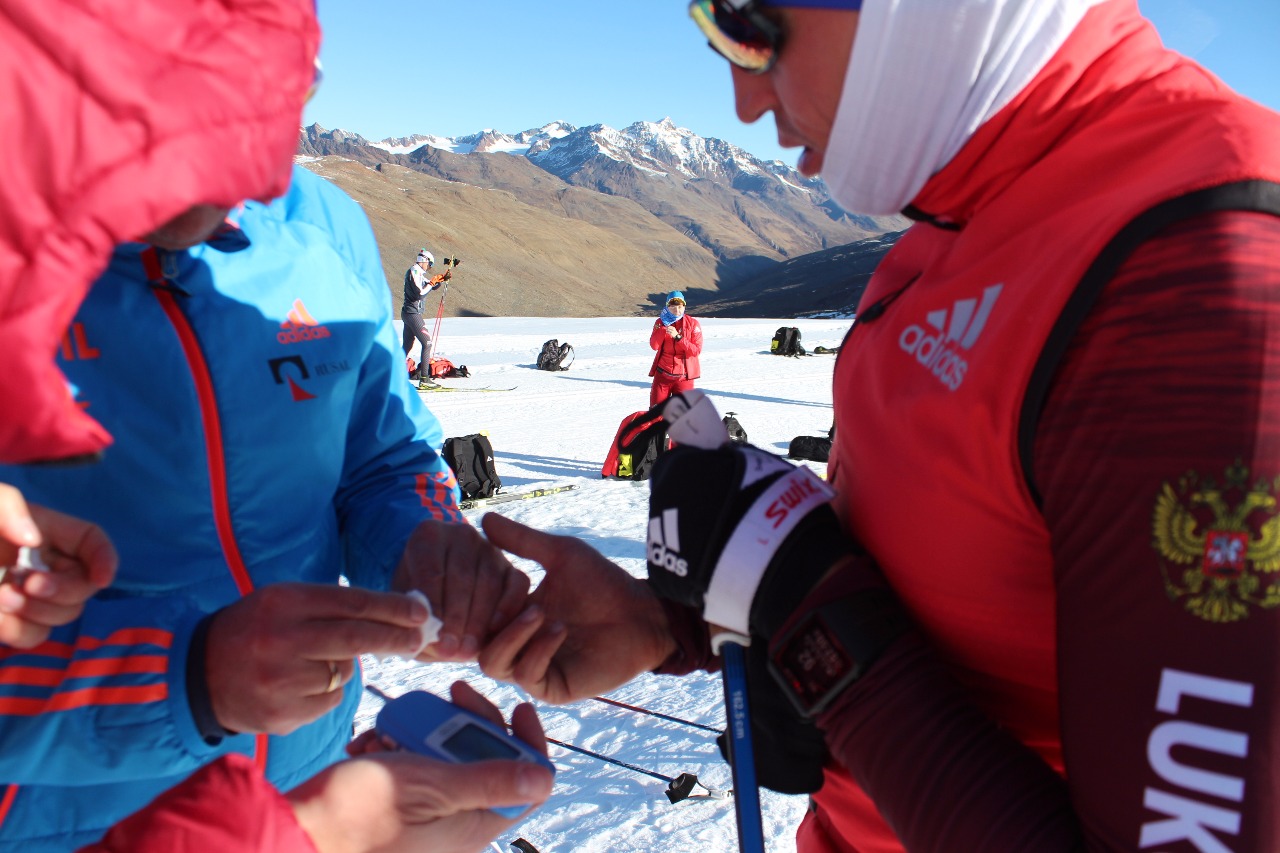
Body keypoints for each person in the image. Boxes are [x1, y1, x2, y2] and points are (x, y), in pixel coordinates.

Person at [473, 1, 1280, 851]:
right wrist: (680, 623)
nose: (744, 97)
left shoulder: (1203, 277)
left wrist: (799, 602)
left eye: (750, 21)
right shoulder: (969, 213)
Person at [402, 249, 452, 390]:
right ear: (424, 261)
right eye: (429, 264)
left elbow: (430, 285)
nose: (429, 267)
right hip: (413, 314)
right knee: (427, 343)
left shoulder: (416, 272)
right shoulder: (415, 272)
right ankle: (424, 379)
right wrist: (432, 283)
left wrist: (440, 280)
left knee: (407, 346)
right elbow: (420, 293)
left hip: (409, 313)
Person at [648, 291, 704, 406]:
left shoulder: (693, 324)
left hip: (684, 378)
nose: (677, 310)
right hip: (662, 375)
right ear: (667, 307)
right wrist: (663, 329)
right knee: (655, 414)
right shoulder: (660, 322)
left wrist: (678, 337)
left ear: (684, 306)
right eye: (673, 307)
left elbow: (696, 351)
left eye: (680, 307)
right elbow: (654, 346)